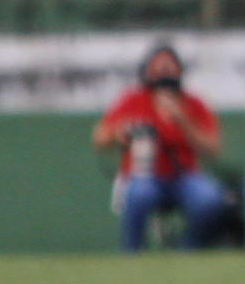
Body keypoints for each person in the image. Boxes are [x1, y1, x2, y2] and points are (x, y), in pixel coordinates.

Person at [93, 44, 227, 251]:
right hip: (142, 175)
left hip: (184, 176)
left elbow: (212, 148)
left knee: (209, 198)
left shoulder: (193, 103)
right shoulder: (133, 100)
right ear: (146, 71)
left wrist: (182, 120)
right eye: (157, 67)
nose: (164, 72)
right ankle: (131, 253)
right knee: (138, 194)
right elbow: (99, 139)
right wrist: (119, 134)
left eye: (169, 66)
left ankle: (188, 251)